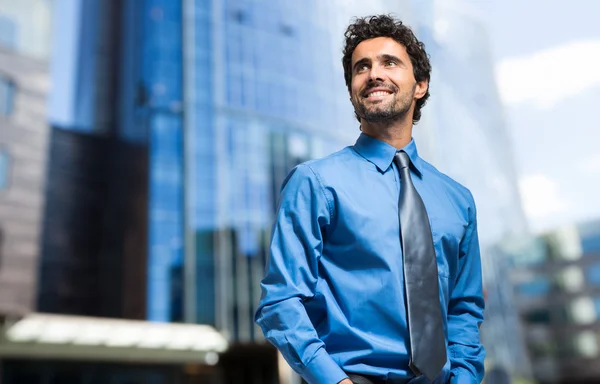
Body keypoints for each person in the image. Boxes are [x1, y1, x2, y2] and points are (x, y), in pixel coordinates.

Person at [255, 14, 485, 384]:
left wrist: (464, 378)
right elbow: (281, 303)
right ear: (351, 91)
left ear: (421, 85)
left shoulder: (458, 200)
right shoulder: (314, 183)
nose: (373, 73)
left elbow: (464, 309)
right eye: (361, 67)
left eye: (389, 62)